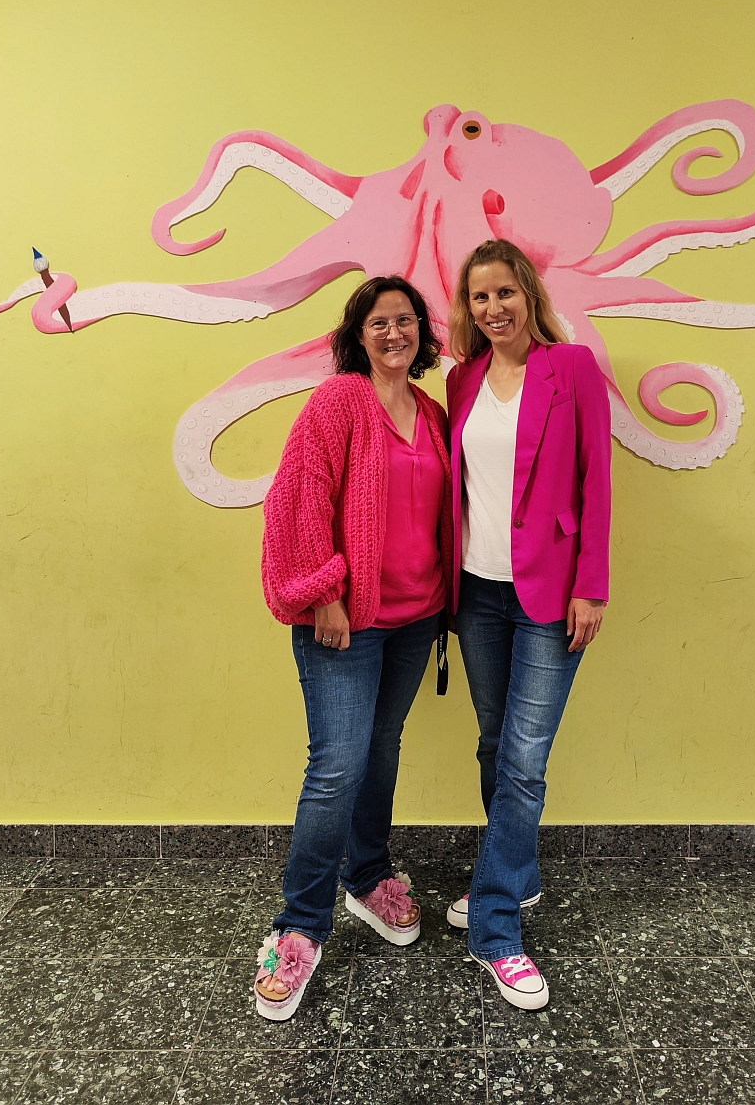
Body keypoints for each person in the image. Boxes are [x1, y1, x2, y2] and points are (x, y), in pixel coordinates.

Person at [254, 275, 452, 1021]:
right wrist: (324, 591)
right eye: (379, 323)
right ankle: (299, 928)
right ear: (358, 335)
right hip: (346, 618)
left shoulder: (431, 412)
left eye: (405, 320)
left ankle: (367, 878)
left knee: (382, 749)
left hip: (416, 617)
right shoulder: (340, 401)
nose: (394, 333)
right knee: (336, 766)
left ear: (421, 331)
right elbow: (299, 497)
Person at [445, 239, 612, 1011]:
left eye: (505, 292)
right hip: (477, 591)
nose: (494, 308)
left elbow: (596, 479)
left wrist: (591, 586)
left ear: (528, 294)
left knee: (522, 759)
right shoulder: (462, 378)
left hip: (551, 592)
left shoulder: (572, 368)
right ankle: (518, 874)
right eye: (480, 296)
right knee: (493, 741)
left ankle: (496, 925)